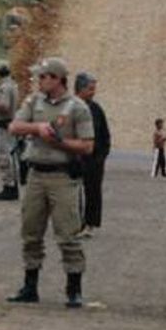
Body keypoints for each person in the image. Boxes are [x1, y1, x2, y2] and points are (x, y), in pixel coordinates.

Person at [7, 57, 95, 308]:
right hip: (36, 174)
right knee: (31, 231)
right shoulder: (34, 102)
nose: (39, 81)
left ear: (56, 79)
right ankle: (30, 285)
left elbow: (88, 145)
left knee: (68, 234)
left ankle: (74, 288)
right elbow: (14, 126)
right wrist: (37, 129)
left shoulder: (78, 108)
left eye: (43, 77)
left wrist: (60, 142)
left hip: (62, 176)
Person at [74, 72, 110, 237]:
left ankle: (90, 225)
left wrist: (100, 157)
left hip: (94, 160)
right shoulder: (68, 107)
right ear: (80, 89)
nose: (93, 92)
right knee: (72, 193)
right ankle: (73, 224)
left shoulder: (96, 110)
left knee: (93, 192)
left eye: (94, 89)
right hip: (72, 159)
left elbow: (105, 136)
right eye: (90, 89)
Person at [0, 59, 20, 201]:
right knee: (8, 156)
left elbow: (4, 106)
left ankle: (9, 186)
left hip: (3, 126)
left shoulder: (4, 87)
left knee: (3, 156)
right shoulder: (12, 85)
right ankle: (10, 186)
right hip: (8, 125)